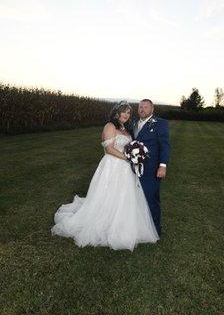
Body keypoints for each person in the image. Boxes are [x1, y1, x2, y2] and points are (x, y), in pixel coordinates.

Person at [51, 101, 159, 252]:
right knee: (108, 194)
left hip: (125, 168)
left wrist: (135, 156)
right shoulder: (110, 126)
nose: (127, 115)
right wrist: (128, 158)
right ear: (117, 113)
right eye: (124, 112)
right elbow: (109, 149)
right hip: (112, 165)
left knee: (123, 196)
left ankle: (122, 223)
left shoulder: (126, 129)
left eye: (129, 113)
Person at [130, 99, 170, 236]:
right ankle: (139, 226)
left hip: (151, 169)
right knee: (135, 197)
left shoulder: (161, 123)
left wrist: (162, 166)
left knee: (150, 198)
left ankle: (155, 230)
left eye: (146, 107)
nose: (142, 109)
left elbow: (165, 146)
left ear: (152, 109)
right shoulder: (134, 122)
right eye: (140, 107)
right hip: (133, 167)